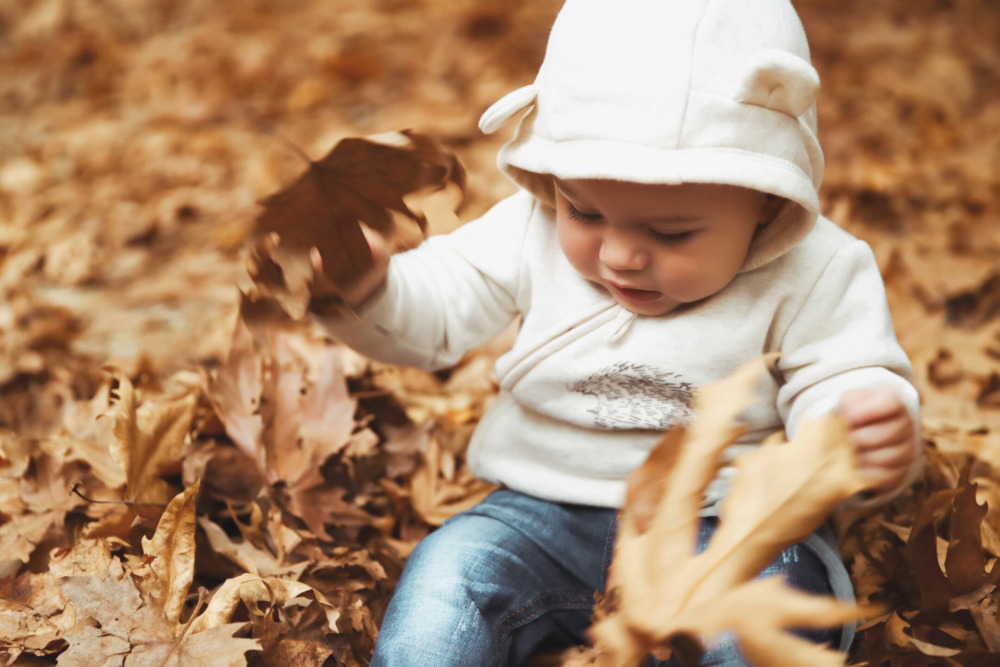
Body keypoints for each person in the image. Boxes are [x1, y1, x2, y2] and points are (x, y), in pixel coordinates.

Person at [311, 0, 922, 664]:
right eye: (587, 211)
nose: (620, 255)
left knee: (757, 623)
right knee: (449, 574)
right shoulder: (529, 226)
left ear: (767, 200)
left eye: (670, 231)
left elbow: (842, 374)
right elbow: (440, 306)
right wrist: (369, 289)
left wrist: (857, 431)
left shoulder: (818, 270)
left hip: (726, 525)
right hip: (539, 510)